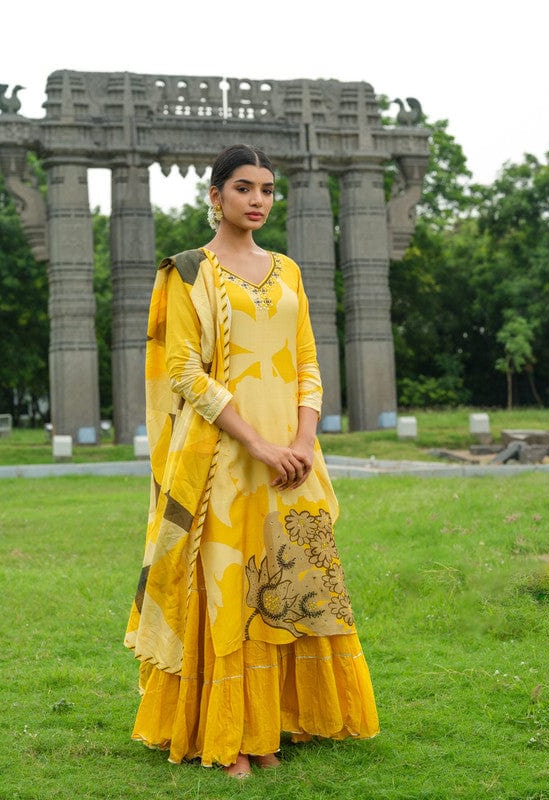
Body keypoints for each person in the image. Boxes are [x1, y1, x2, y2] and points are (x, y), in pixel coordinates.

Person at [124, 143, 379, 777]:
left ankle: (271, 728)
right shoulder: (187, 272)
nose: (258, 199)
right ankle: (232, 734)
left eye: (267, 189)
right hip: (223, 460)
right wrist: (260, 444)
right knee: (228, 589)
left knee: (288, 580)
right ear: (215, 197)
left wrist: (299, 442)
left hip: (293, 457)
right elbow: (183, 369)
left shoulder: (288, 271)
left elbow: (309, 365)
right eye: (244, 188)